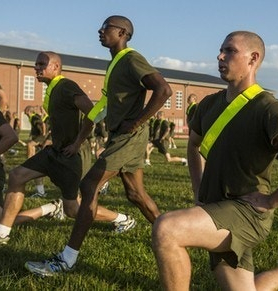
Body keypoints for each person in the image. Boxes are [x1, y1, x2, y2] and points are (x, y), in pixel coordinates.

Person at [24, 15, 172, 276]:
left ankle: (67, 259)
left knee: (89, 184)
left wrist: (136, 122)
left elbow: (163, 90)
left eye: (107, 28)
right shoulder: (116, 63)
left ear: (123, 32)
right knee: (135, 194)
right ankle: (172, 236)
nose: (100, 31)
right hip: (121, 136)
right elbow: (104, 107)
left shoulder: (130, 59)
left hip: (129, 136)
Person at [152, 31, 278, 290]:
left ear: (253, 59)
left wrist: (272, 200)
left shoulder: (270, 109)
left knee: (167, 229)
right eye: (221, 50)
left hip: (247, 213)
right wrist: (198, 188)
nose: (220, 56)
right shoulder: (209, 104)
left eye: (230, 50)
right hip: (216, 208)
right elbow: (193, 145)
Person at [0, 50, 136, 247]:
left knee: (72, 209)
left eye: (41, 64)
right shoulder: (52, 89)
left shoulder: (66, 86)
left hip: (72, 156)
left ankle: (122, 219)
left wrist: (77, 143)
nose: (36, 68)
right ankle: (3, 233)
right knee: (16, 176)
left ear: (55, 67)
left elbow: (92, 112)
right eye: (36, 64)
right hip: (54, 152)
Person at [24, 105, 47, 197]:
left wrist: (43, 134)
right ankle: (41, 192)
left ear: (28, 111)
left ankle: (30, 160)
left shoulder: (34, 117)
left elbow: (42, 124)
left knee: (30, 145)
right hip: (41, 140)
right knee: (37, 169)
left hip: (42, 139)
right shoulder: (32, 118)